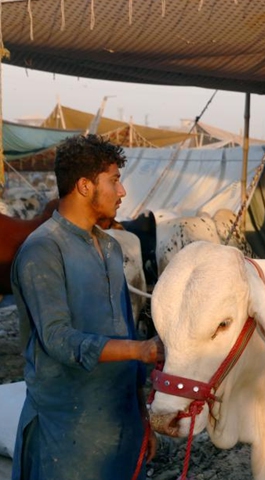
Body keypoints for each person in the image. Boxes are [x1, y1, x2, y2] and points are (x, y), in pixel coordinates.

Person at [11, 134, 164, 480]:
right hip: (65, 435)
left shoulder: (110, 248)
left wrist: (142, 418)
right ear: (83, 186)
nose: (122, 191)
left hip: (118, 423)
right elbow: (58, 339)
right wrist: (140, 350)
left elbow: (124, 327)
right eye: (114, 180)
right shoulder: (43, 250)